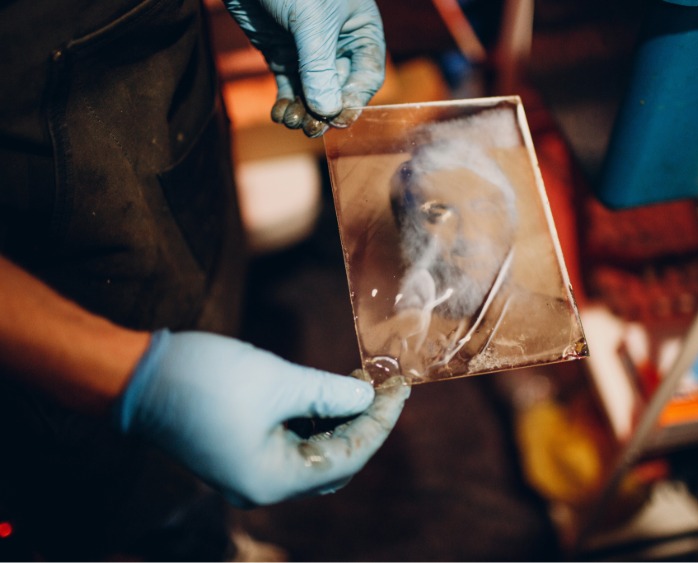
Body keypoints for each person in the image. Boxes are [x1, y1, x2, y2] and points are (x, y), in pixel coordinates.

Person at [0, 0, 409, 559]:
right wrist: (137, 382)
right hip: (31, 247)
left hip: (165, 105)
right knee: (87, 491)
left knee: (206, 299)